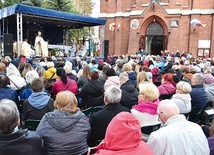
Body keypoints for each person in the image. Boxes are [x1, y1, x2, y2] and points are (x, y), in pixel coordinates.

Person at [36, 91, 90, 155]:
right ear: (75, 102)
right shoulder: (82, 117)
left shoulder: (46, 118)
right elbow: (88, 136)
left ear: (56, 103)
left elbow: (38, 138)